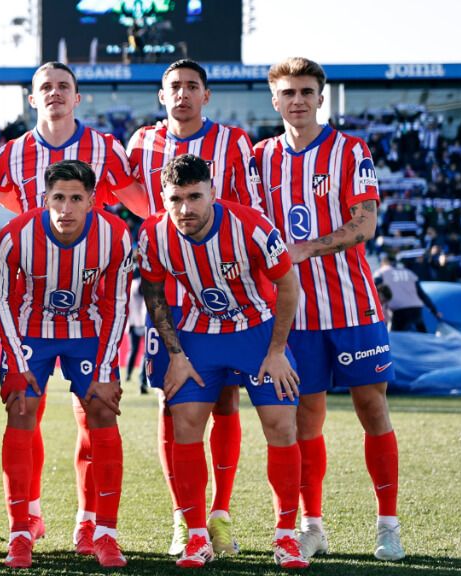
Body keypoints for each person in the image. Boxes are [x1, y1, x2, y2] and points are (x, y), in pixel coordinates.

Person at [0, 61, 145, 547]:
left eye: (63, 87)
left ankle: (90, 520)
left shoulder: (106, 149)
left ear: (77, 97)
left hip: (90, 303)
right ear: (32, 98)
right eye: (44, 87)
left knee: (91, 413)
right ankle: (27, 518)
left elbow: (143, 207)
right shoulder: (14, 153)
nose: (54, 94)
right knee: (25, 408)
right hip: (30, 309)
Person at [255, 57, 404, 562]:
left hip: (354, 307)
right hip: (294, 316)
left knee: (372, 408)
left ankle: (388, 525)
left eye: (306, 91)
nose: (297, 100)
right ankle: (312, 526)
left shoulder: (349, 151)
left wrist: (304, 248)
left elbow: (364, 226)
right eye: (287, 92)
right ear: (274, 101)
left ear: (321, 98)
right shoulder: (258, 159)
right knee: (305, 418)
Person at [138, 154, 308, 569]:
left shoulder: (251, 226)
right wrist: (176, 355)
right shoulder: (153, 234)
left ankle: (286, 536)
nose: (186, 209)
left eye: (195, 196)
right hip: (199, 333)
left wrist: (276, 350)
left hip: (257, 330)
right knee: (186, 423)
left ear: (212, 192)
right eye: (176, 199)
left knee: (281, 425)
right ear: (163, 197)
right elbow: (155, 294)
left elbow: (289, 285)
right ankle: (197, 535)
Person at [125, 58, 264, 557]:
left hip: (224, 297)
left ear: (206, 95)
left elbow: (249, 211)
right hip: (170, 296)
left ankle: (220, 514)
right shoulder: (140, 143)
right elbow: (135, 203)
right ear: (161, 96)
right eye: (173, 87)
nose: (182, 94)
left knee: (225, 401)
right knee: (171, 401)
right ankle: (186, 521)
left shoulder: (234, 142)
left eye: (191, 86)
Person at [0, 160, 132, 569]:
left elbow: (116, 303)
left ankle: (101, 530)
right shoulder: (15, 236)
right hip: (30, 329)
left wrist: (106, 370)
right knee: (21, 411)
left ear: (92, 200)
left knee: (103, 413)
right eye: (58, 198)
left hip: (87, 329)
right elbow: (2, 299)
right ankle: (21, 530)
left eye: (76, 198)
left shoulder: (115, 235)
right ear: (44, 198)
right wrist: (16, 363)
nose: (66, 208)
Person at [374, 252, 442, 332]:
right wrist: (434, 311)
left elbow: (374, 291)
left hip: (397, 310)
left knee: (396, 338)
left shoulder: (381, 272)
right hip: (416, 309)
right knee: (423, 337)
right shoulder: (409, 273)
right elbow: (422, 294)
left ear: (383, 263)